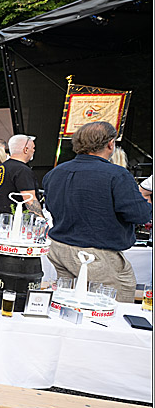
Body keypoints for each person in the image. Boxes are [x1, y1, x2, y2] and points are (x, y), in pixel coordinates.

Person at [43, 121, 153, 302]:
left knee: (69, 305)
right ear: (110, 144)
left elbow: (51, 207)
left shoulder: (55, 173)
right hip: (96, 255)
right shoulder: (117, 175)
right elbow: (140, 215)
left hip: (60, 248)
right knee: (111, 308)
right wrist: (146, 201)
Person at [0, 134, 42, 217]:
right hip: (17, 221)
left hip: (2, 218)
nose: (34, 151)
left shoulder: (3, 167)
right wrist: (41, 219)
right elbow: (29, 199)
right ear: (25, 150)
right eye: (33, 148)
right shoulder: (22, 170)